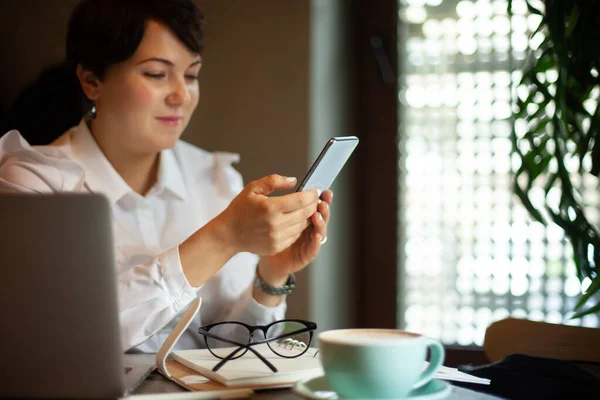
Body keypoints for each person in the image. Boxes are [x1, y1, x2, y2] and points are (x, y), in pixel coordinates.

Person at [0, 0, 332, 353]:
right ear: (91, 80)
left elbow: (234, 353)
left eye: (191, 75)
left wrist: (271, 276)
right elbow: (65, 343)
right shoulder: (33, 185)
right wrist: (223, 236)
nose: (181, 95)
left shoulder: (215, 179)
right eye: (157, 74)